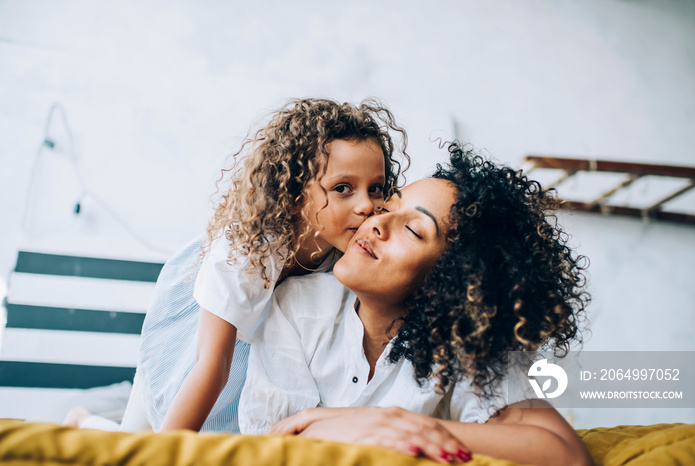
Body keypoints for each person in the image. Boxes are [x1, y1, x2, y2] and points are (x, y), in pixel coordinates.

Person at [65, 98, 409, 433]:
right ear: (293, 196)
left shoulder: (351, 252)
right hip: (198, 330)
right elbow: (213, 364)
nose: (367, 205)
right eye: (343, 188)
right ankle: (82, 421)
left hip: (262, 348)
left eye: (376, 188)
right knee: (142, 437)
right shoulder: (248, 250)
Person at [238, 143, 594, 466]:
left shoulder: (467, 346)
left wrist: (397, 424)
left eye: (413, 230)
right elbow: (273, 446)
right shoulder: (297, 303)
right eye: (389, 207)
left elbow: (566, 455)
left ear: (451, 280)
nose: (377, 223)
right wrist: (371, 425)